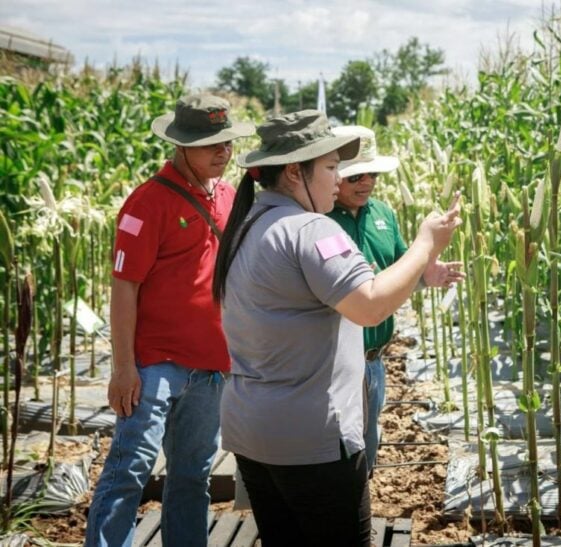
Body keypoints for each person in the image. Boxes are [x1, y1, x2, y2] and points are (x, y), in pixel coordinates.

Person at [213, 110, 461, 547]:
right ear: (294, 171)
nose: (338, 178)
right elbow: (369, 306)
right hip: (313, 438)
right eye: (331, 168)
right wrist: (425, 244)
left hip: (251, 432)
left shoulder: (247, 223)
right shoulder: (310, 229)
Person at [85, 94, 253, 547]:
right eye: (212, 144)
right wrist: (123, 368)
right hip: (154, 365)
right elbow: (124, 287)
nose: (224, 152)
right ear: (180, 147)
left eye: (227, 143)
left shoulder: (230, 197)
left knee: (192, 476)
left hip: (211, 367)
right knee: (130, 471)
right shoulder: (147, 203)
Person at [327, 125, 464, 472]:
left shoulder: (383, 215)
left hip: (374, 362)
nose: (367, 182)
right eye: (356, 175)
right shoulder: (319, 221)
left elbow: (404, 267)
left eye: (372, 174)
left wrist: (426, 276)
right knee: (337, 459)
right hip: (333, 365)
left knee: (366, 451)